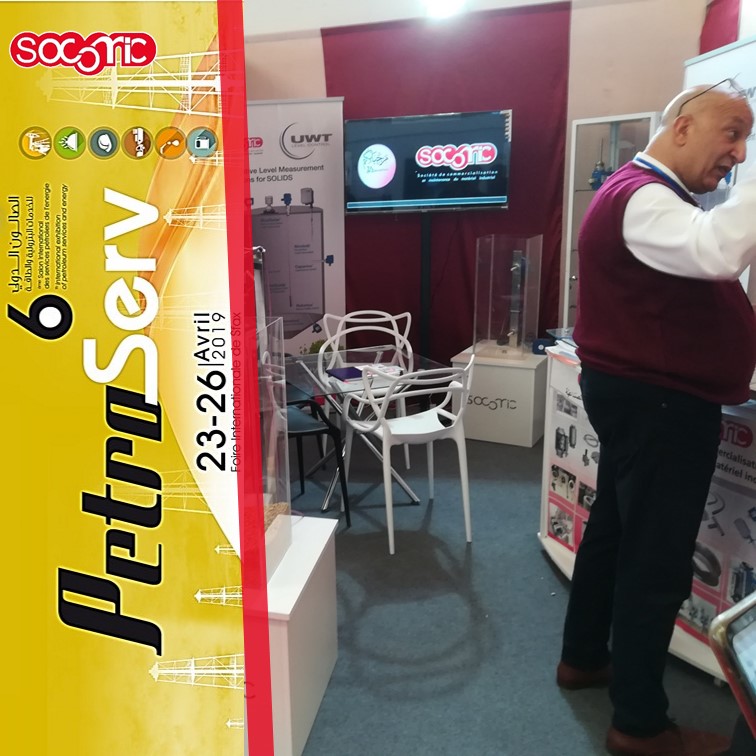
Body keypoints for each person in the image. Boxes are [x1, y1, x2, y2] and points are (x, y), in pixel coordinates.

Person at [556, 82, 756, 756]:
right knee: (656, 559)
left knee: (614, 533)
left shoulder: (639, 193)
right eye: (732, 133)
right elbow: (717, 252)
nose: (738, 152)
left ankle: (584, 656)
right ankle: (639, 724)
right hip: (662, 403)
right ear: (684, 126)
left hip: (644, 397)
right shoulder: (643, 197)